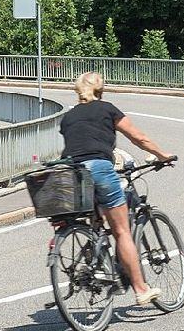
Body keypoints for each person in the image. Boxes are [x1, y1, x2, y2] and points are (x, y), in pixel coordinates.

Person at [60, 71, 176, 306]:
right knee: (122, 231)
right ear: (100, 90)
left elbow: (78, 143)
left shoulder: (68, 117)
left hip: (71, 171)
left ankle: (97, 261)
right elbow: (138, 137)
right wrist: (162, 155)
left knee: (96, 217)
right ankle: (141, 289)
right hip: (99, 168)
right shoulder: (106, 109)